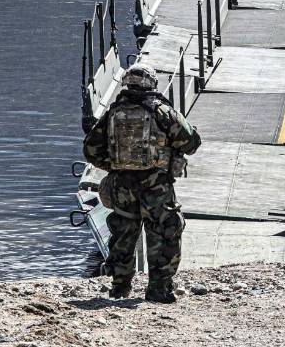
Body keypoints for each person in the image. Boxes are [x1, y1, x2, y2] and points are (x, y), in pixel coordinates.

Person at [82, 64, 201, 303]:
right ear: (151, 84)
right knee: (164, 234)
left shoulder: (113, 113)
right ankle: (159, 289)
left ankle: (119, 287)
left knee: (123, 234)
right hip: (157, 185)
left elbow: (90, 150)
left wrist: (115, 166)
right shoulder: (162, 112)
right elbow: (192, 142)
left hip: (122, 185)